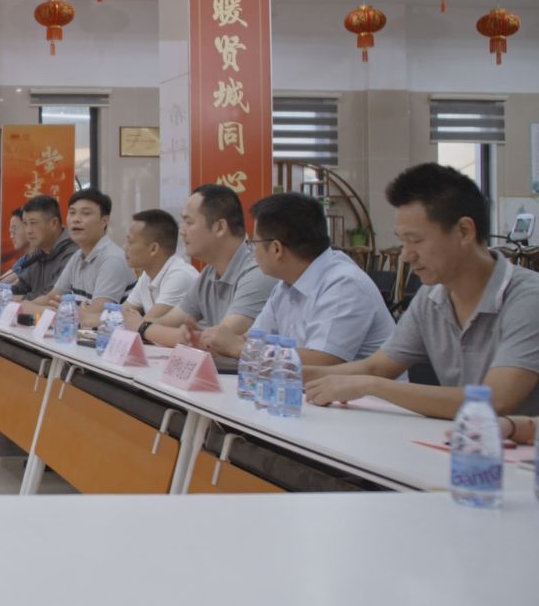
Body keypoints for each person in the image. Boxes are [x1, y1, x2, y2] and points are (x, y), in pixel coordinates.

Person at [306, 163, 539, 418]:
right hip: (463, 439)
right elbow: (376, 367)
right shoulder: (432, 297)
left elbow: (496, 401)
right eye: (402, 241)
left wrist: (372, 386)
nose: (406, 256)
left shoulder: (527, 298)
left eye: (415, 240)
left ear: (464, 231)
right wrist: (286, 371)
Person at [217, 192, 393, 366]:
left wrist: (239, 349)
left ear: (276, 249)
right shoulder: (286, 284)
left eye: (254, 243)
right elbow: (254, 339)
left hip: (363, 387)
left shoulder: (343, 284)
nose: (252, 251)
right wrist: (213, 340)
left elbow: (322, 361)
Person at [138, 184, 275, 359]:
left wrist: (141, 327)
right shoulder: (209, 272)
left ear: (220, 227)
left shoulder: (258, 273)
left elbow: (216, 342)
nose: (182, 231)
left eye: (189, 222)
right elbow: (168, 322)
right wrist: (142, 326)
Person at [31, 188, 136, 324]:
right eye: (72, 213)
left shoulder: (112, 259)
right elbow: (51, 297)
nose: (76, 219)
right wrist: (24, 306)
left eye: (85, 213)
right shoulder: (77, 256)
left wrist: (45, 310)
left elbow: (96, 313)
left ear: (104, 221)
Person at [121, 208, 199, 330]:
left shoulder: (180, 276)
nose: (124, 247)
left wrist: (130, 321)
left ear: (153, 249)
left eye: (130, 242)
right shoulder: (147, 275)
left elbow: (143, 327)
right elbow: (120, 314)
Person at [10, 195, 76, 301]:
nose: (28, 231)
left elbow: (51, 297)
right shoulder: (38, 252)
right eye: (25, 224)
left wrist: (10, 299)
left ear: (54, 223)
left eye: (33, 223)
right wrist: (0, 295)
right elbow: (20, 288)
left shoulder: (72, 253)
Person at [0, 207, 31, 286]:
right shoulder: (25, 259)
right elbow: (0, 282)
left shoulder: (40, 260)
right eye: (10, 231)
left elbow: (11, 288)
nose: (11, 236)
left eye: (14, 230)